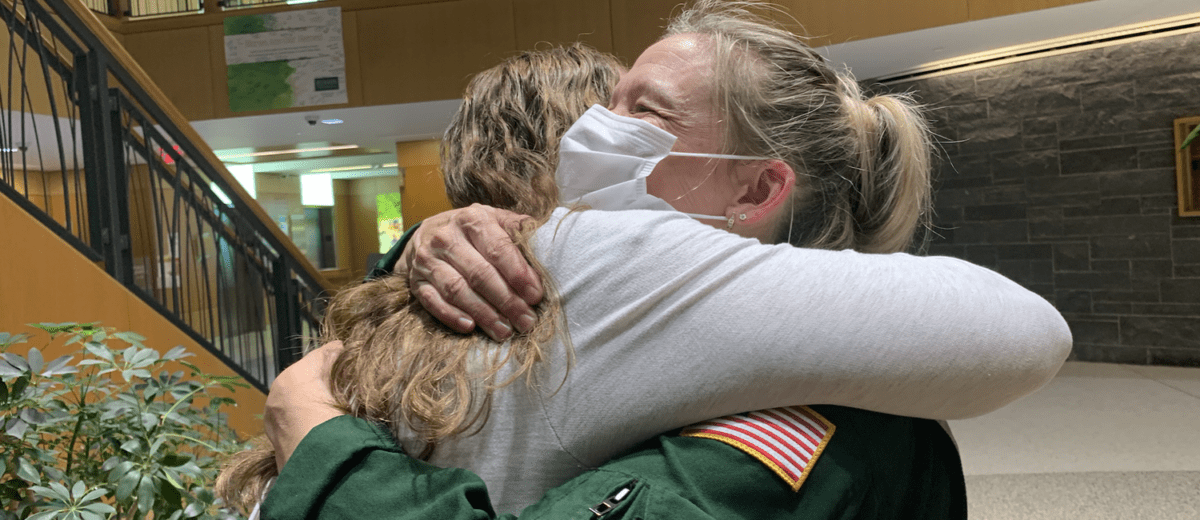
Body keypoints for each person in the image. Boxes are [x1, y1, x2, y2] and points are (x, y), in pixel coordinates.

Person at [258, 0, 1071, 515]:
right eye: (608, 104)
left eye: (644, 110)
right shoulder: (605, 257)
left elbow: (1028, 330)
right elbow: (1028, 334)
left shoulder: (616, 257)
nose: (591, 131)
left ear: (756, 189)